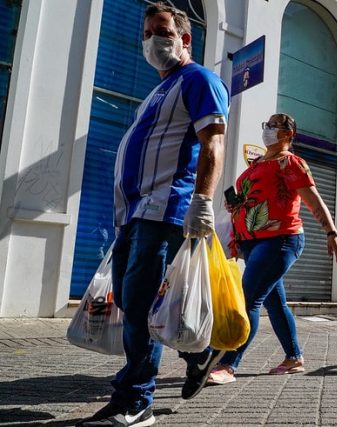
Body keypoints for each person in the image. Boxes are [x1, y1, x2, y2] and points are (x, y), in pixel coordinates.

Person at [77, 3, 229, 426]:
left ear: (185, 38)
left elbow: (214, 141)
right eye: (146, 33)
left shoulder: (198, 79)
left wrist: (202, 200)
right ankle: (197, 352)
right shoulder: (160, 89)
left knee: (141, 303)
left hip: (165, 209)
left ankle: (135, 400)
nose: (151, 40)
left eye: (160, 31)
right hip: (135, 213)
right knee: (130, 301)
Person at [204, 113, 337, 385]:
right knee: (275, 304)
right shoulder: (256, 164)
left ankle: (228, 364)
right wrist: (237, 205)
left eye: (274, 125)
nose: (267, 128)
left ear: (288, 135)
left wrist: (331, 231)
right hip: (252, 243)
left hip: (280, 240)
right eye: (266, 124)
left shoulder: (290, 162)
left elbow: (314, 200)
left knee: (248, 300)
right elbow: (254, 197)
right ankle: (294, 358)